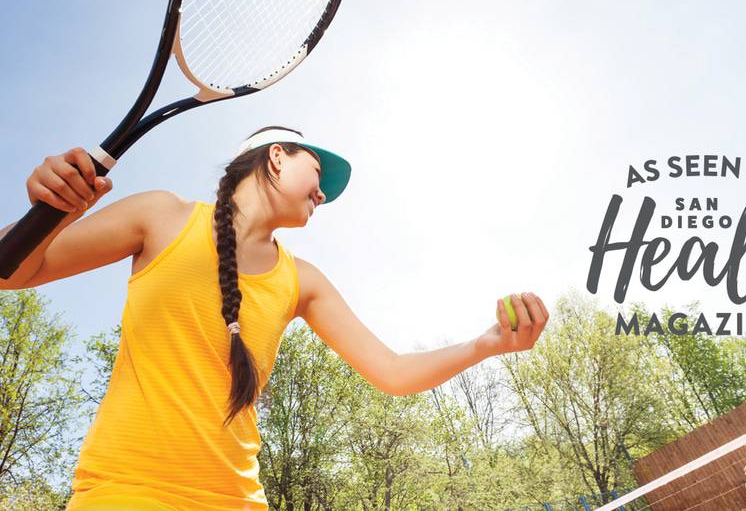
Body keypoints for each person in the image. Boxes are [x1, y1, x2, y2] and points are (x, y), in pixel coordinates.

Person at [0, 125, 550, 510]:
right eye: (319, 172)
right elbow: (13, 272)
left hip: (238, 500)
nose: (323, 192)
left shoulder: (302, 280)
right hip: (126, 489)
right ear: (276, 156)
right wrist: (52, 211)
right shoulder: (161, 216)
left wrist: (486, 345)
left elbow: (394, 373)